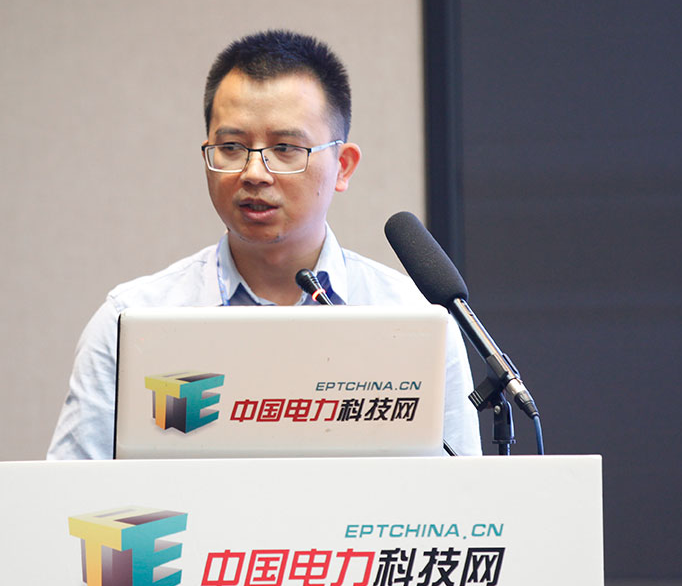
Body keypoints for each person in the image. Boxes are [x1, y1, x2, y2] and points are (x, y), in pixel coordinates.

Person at [46, 30, 482, 459]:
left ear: (343, 166)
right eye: (231, 146)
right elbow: (68, 494)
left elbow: (461, 492)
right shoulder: (130, 323)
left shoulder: (414, 322)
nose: (254, 172)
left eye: (285, 147)